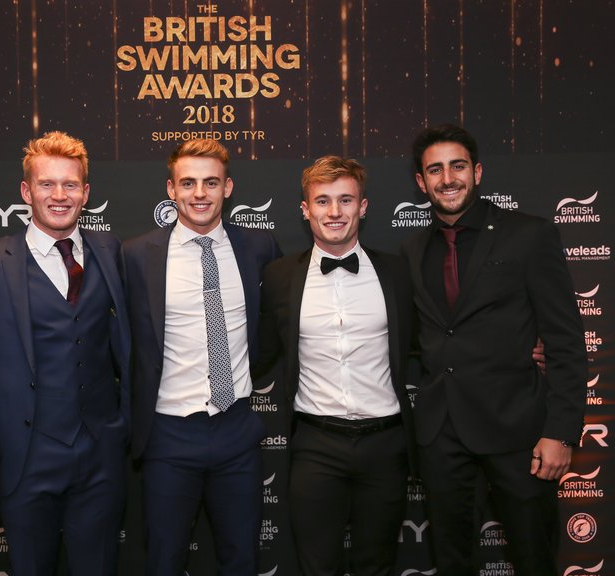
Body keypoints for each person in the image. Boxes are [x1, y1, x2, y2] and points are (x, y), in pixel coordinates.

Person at [401, 123, 587, 575]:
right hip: (441, 434)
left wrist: (561, 432)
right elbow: (419, 338)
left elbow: (565, 341)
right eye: (435, 170)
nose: (448, 178)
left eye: (458, 166)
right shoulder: (412, 249)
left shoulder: (529, 235)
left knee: (533, 559)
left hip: (519, 432)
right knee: (452, 563)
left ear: (478, 172)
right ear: (421, 182)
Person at [122, 139, 281, 575]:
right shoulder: (136, 255)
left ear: (227, 187)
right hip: (168, 434)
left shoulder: (259, 247)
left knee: (241, 559)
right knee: (164, 561)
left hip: (236, 431)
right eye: (188, 182)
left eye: (211, 182)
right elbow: (126, 342)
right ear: (171, 189)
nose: (199, 193)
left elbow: (273, 328)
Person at [0, 131, 130, 575]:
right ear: (26, 192)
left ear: (86, 192)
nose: (59, 195)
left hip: (100, 453)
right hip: (26, 456)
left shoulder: (110, 252)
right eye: (47, 184)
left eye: (70, 184)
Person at [255, 156, 416, 576]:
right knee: (317, 566)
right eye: (322, 201)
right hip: (315, 444)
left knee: (377, 565)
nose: (334, 212)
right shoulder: (279, 276)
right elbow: (258, 353)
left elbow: (435, 340)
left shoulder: (398, 272)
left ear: (363, 207)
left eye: (346, 200)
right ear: (305, 209)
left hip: (385, 442)